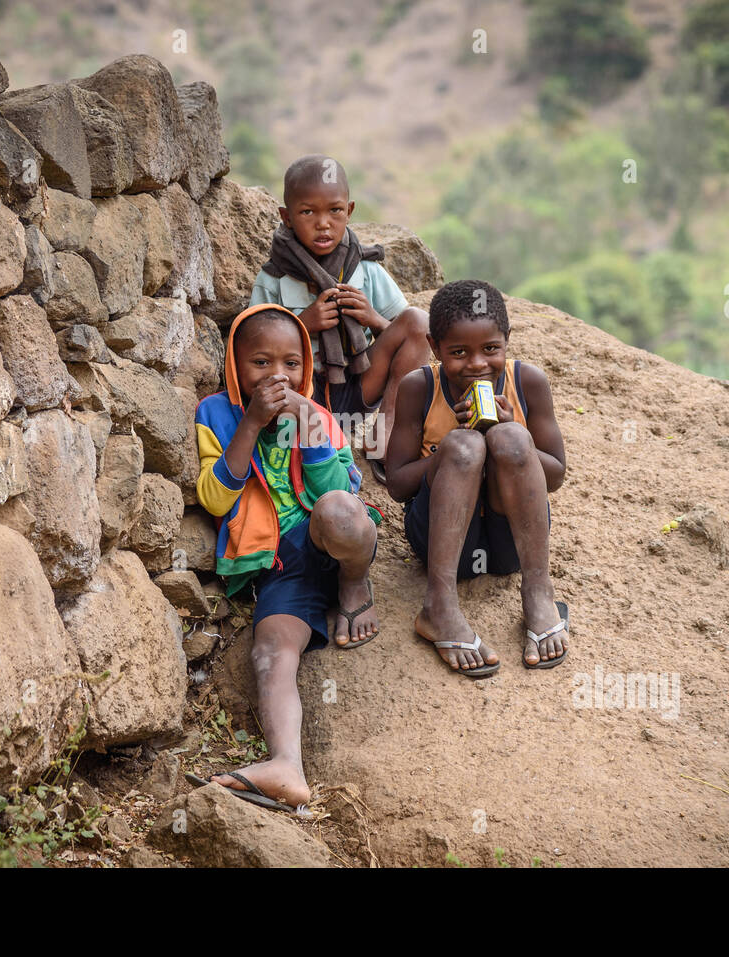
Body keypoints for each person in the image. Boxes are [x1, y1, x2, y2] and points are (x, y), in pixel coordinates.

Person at [193, 303, 382, 807]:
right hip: (277, 562)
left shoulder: (316, 414)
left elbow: (342, 496)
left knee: (339, 510)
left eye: (291, 363)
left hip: (329, 539)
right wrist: (250, 424)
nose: (278, 375)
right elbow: (215, 499)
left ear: (307, 366)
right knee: (270, 652)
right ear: (235, 366)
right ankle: (285, 767)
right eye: (261, 363)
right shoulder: (214, 413)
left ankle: (352, 585)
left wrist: (312, 431)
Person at [384, 279, 569, 676]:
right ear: (435, 348)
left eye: (490, 349)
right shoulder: (419, 387)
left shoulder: (528, 382)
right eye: (458, 353)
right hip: (443, 541)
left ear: (506, 341)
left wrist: (508, 432)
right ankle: (440, 605)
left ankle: (538, 592)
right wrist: (449, 451)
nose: (476, 364)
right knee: (464, 447)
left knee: (512, 437)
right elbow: (397, 484)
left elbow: (555, 473)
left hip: (510, 548)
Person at [248, 154, 430, 483]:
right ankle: (313, 450)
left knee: (418, 321)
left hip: (358, 384)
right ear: (287, 217)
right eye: (308, 212)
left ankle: (387, 437)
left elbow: (411, 337)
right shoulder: (274, 278)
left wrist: (373, 319)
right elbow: (251, 351)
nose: (323, 223)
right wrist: (303, 324)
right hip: (302, 397)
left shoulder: (366, 269)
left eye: (334, 210)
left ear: (349, 211)